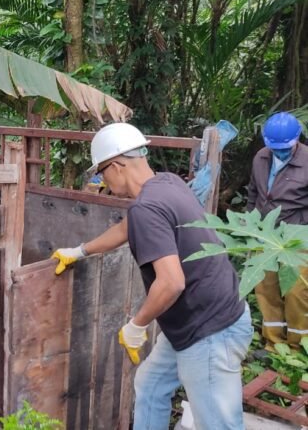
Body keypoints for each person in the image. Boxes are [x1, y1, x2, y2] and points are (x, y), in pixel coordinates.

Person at [51, 123, 252, 430]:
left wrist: (136, 325)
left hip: (211, 330)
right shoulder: (166, 183)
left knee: (218, 423)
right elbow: (126, 228)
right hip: (194, 322)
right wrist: (80, 251)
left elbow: (171, 282)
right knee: (150, 385)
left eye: (100, 172)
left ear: (117, 166)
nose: (100, 180)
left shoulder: (148, 206)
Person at [247, 111, 308, 350]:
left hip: (297, 237)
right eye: (274, 147)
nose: (279, 151)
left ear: (297, 140)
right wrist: (250, 224)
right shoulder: (261, 157)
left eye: (285, 147)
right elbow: (253, 192)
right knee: (266, 288)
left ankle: (297, 346)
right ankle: (273, 343)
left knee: (296, 292)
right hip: (265, 233)